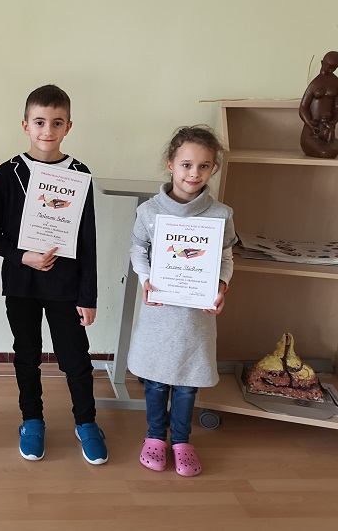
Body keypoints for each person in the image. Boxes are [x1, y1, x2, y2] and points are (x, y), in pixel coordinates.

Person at [0, 85, 108, 465]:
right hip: (22, 284)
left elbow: (87, 239)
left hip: (65, 286)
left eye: (56, 122)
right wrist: (23, 257)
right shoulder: (9, 173)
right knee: (27, 355)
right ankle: (32, 420)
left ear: (68, 126)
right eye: (39, 122)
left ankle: (86, 422)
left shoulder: (79, 174)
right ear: (25, 125)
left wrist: (88, 296)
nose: (47, 130)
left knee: (75, 358)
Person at [127, 125, 237, 477]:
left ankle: (182, 441)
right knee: (157, 381)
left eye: (204, 166)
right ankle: (155, 436)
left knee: (187, 383)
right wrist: (146, 279)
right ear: (170, 164)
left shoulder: (221, 214)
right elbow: (137, 249)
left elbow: (226, 257)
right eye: (187, 165)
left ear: (213, 168)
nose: (194, 173)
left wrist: (221, 285)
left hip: (195, 315)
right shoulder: (149, 211)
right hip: (159, 311)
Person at [299, 51, 338, 158]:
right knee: (325, 152)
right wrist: (309, 123)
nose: (331, 70)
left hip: (326, 129)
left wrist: (333, 122)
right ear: (322, 63)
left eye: (334, 68)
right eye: (329, 67)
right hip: (311, 131)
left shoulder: (336, 82)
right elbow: (303, 107)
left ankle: (326, 140)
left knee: (334, 148)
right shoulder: (315, 83)